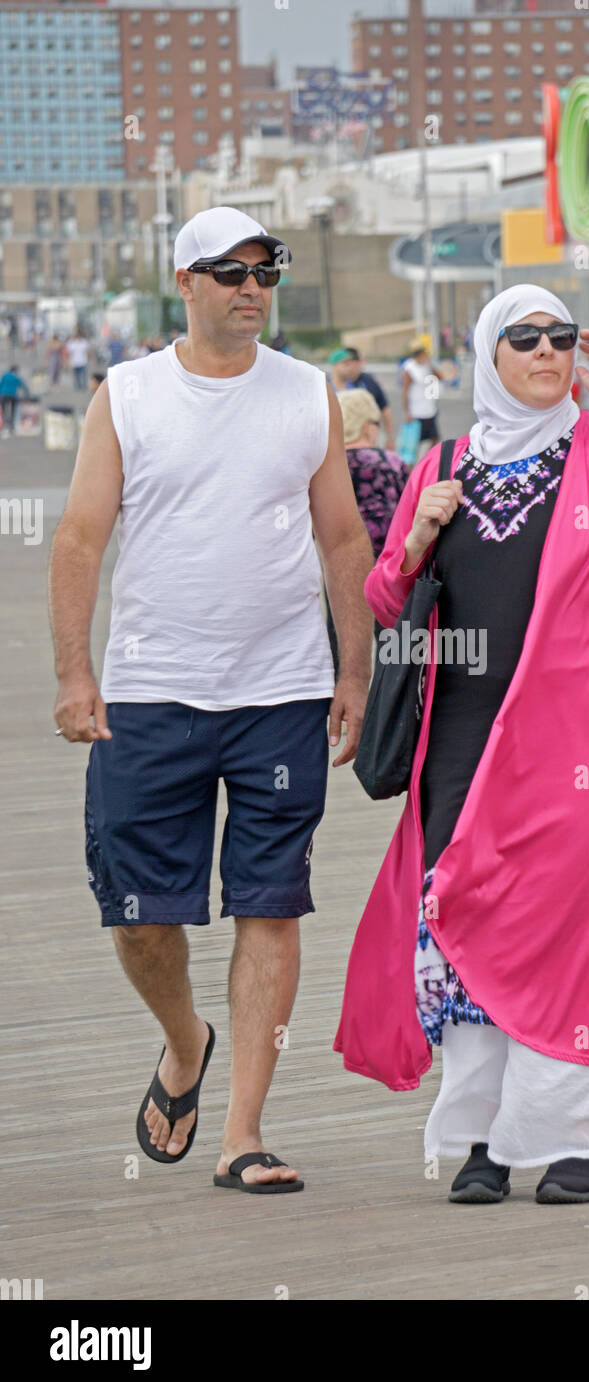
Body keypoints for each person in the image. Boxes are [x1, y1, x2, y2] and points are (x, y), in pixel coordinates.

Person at [334, 285, 589, 1205]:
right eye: (527, 339)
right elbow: (387, 602)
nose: (548, 352)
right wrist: (420, 532)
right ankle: (483, 1141)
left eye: (561, 337)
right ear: (489, 354)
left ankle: (570, 1140)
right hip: (461, 745)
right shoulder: (445, 462)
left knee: (567, 935)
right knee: (465, 924)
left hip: (586, 743)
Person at [48, 206, 373, 1195]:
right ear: (184, 283)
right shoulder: (130, 393)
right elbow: (78, 540)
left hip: (280, 691)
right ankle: (183, 1039)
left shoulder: (305, 393)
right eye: (227, 272)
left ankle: (242, 1130)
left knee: (271, 906)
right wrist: (75, 671)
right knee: (141, 912)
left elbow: (343, 541)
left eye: (263, 272)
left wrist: (353, 670)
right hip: (150, 694)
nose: (249, 288)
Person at [325, 388, 410, 670]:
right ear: (367, 427)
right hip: (386, 561)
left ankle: (340, 691)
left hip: (340, 562)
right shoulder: (392, 463)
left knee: (339, 628)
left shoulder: (329, 466)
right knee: (389, 634)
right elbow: (409, 512)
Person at [329, 347, 396, 451]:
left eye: (351, 363)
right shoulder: (325, 390)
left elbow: (384, 408)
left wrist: (389, 437)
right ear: (335, 365)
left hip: (364, 445)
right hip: (336, 445)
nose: (350, 367)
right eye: (345, 363)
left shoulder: (362, 385)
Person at [401, 337, 444, 458]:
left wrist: (431, 365)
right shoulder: (409, 368)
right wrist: (406, 412)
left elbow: (441, 377)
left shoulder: (428, 366)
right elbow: (405, 391)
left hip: (429, 410)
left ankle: (425, 459)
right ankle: (410, 469)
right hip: (416, 412)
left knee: (434, 438)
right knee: (412, 444)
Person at [0, 363, 29, 436]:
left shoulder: (4, 376)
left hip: (3, 395)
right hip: (12, 395)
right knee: (13, 411)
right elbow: (23, 385)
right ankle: (11, 426)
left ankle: (5, 425)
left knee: (3, 410)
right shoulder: (15, 376)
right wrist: (27, 394)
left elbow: (0, 385)